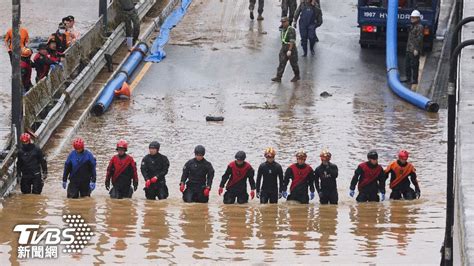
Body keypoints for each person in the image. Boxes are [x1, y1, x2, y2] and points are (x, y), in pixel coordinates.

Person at [271, 17, 300, 83]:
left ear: (287, 22)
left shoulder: (291, 30)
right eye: (282, 22)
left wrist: (289, 50)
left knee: (294, 63)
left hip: (291, 48)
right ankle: (278, 77)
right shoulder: (283, 29)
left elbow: (292, 41)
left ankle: (297, 75)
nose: (283, 23)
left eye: (284, 22)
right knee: (282, 62)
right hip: (284, 47)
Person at [405, 10, 423, 88]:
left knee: (414, 65)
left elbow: (419, 39)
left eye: (414, 18)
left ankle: (414, 79)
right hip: (409, 48)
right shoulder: (412, 26)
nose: (412, 19)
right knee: (407, 65)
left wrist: (416, 49)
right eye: (412, 18)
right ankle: (408, 78)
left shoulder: (419, 27)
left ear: (418, 18)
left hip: (414, 50)